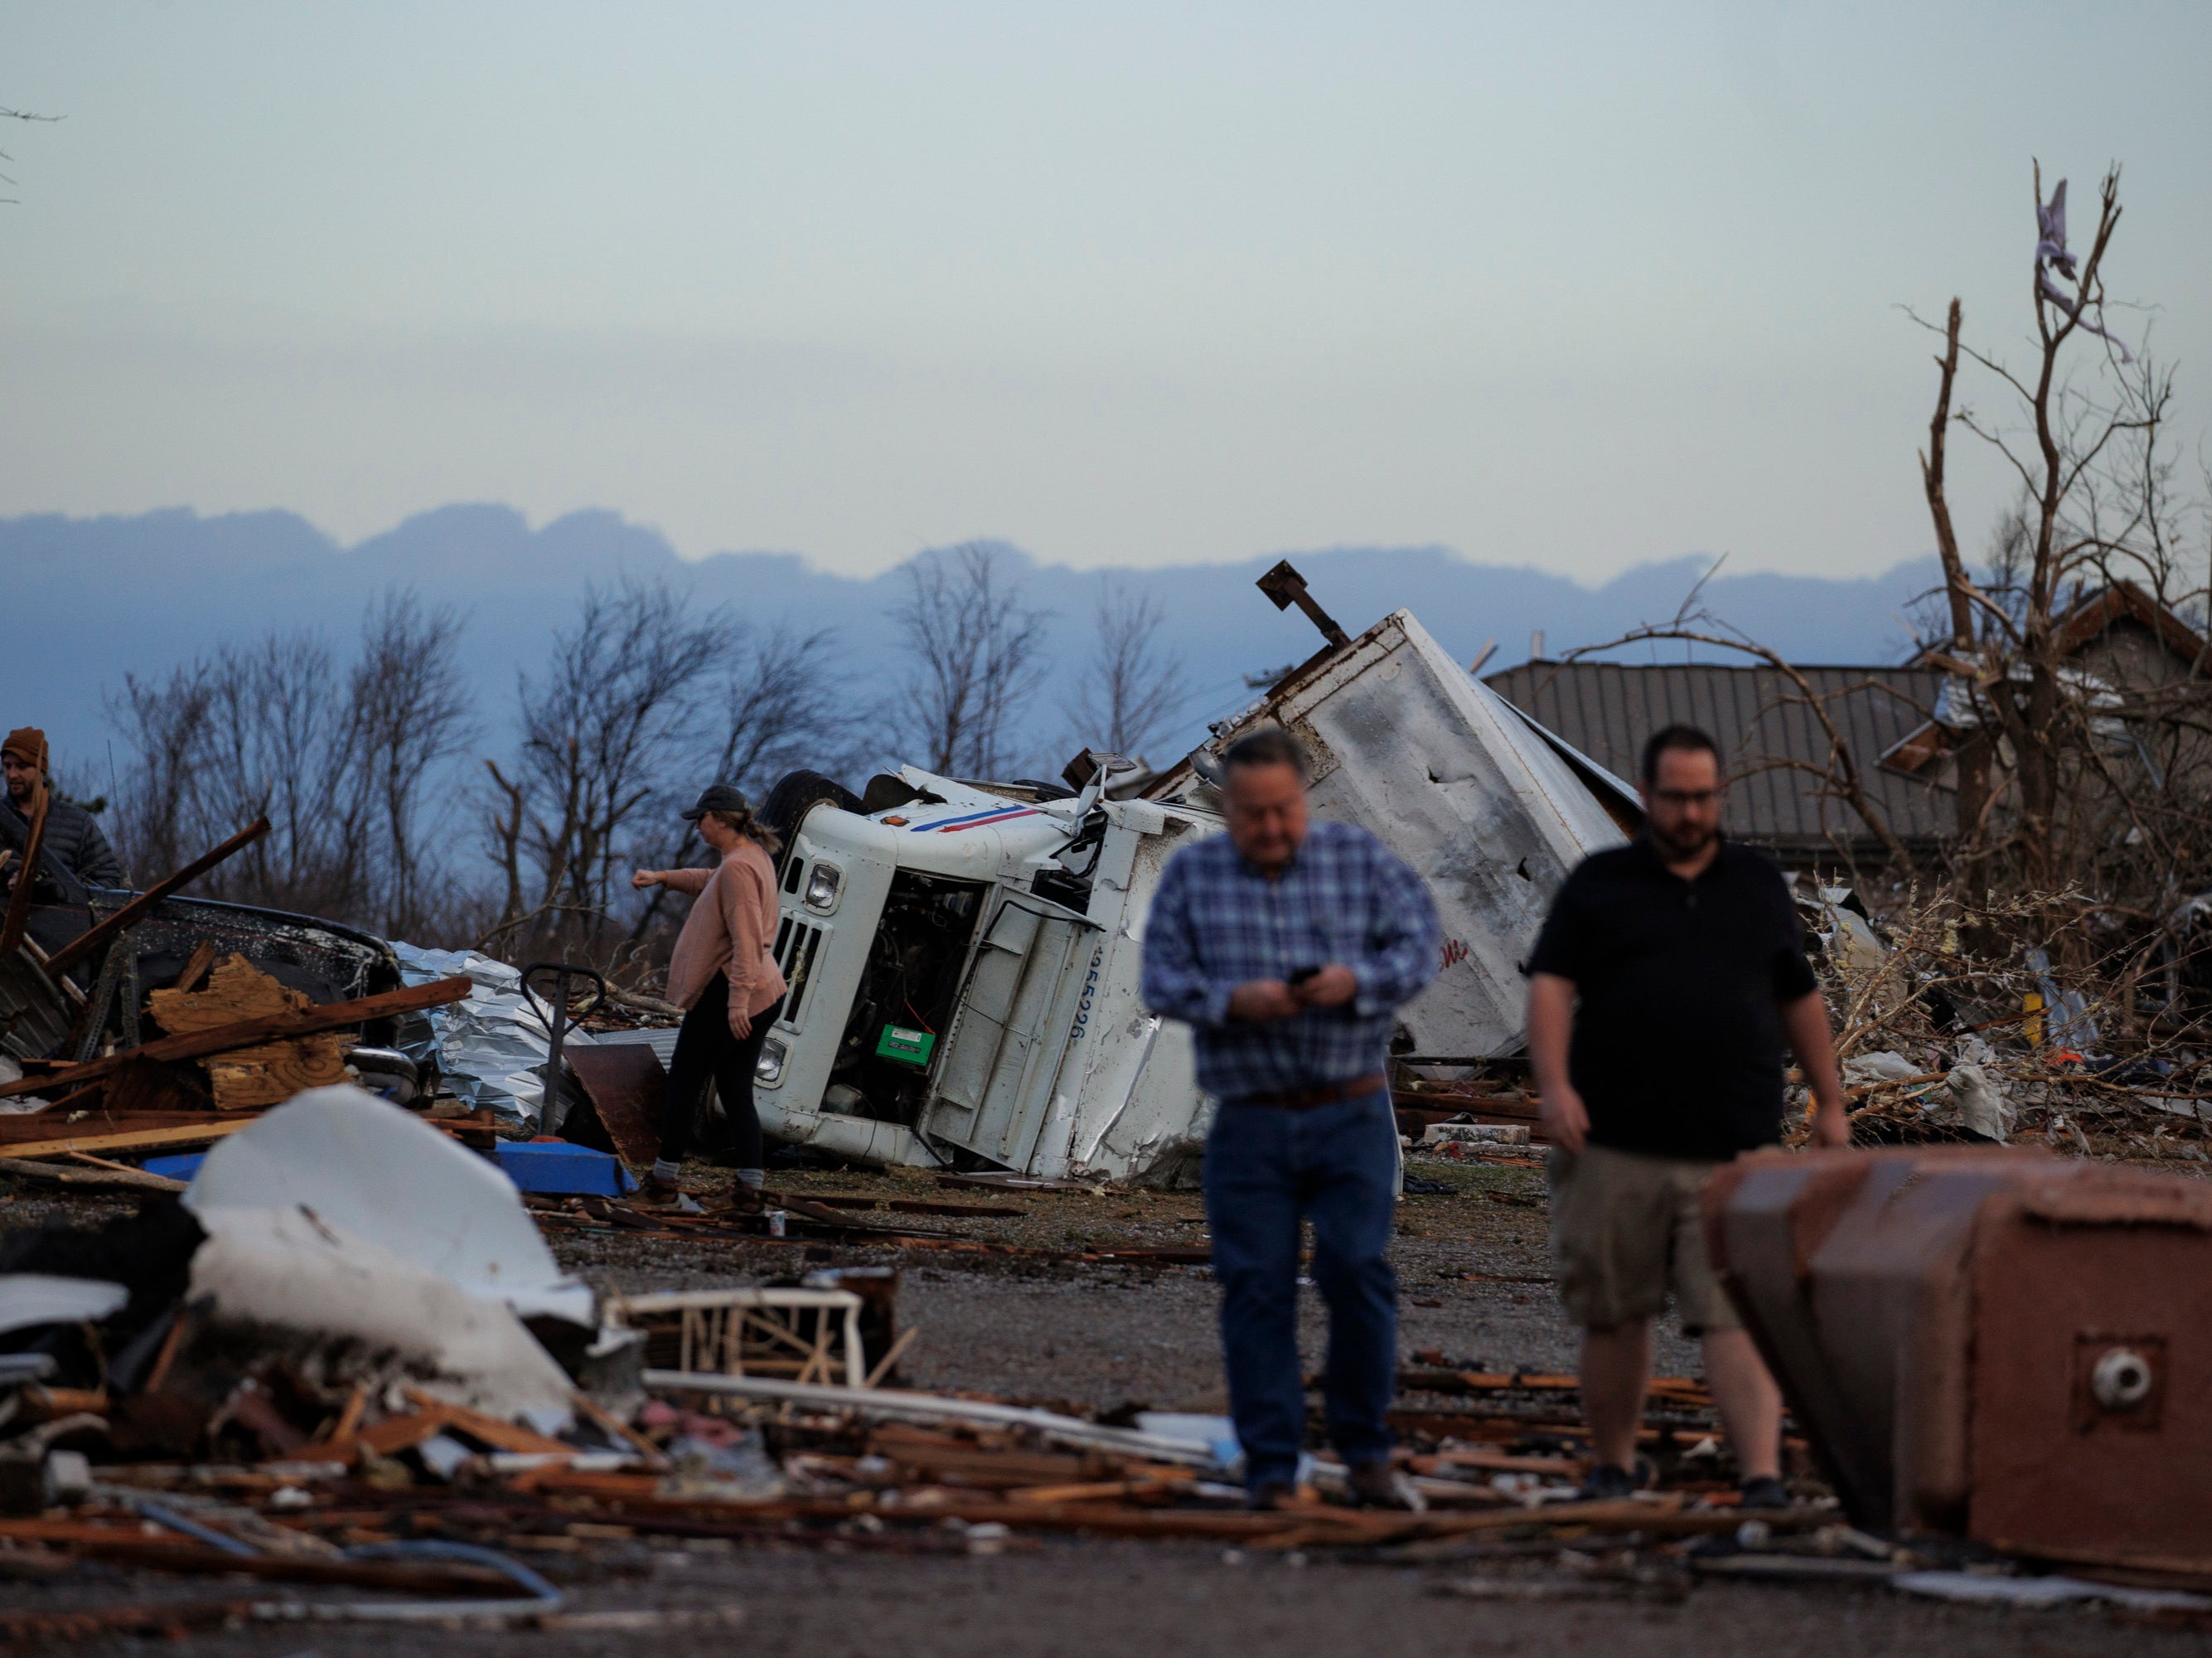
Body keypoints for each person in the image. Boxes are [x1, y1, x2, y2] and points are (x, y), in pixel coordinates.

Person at [1526, 725, 1848, 1510]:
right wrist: (1556, 1089)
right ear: (1646, 796)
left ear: (1719, 797)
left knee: (1735, 1319)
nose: (1691, 811)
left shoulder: (1756, 886)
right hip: (1613, 1148)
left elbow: (1796, 995)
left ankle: (1762, 1479)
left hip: (1734, 1152)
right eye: (1675, 796)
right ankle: (1610, 1467)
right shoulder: (1599, 884)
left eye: (1704, 796)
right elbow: (1548, 988)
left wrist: (1831, 1101)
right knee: (1614, 1315)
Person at [1141, 727, 1441, 1510]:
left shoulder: (1359, 861)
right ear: (1226, 808)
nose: (1269, 829)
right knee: (1255, 1287)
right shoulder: (1193, 875)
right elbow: (1161, 980)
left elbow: (1419, 948)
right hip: (1250, 1122)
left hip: (1349, 1111)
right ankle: (1272, 1466)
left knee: (1356, 1271)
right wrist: (1229, 1002)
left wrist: (1357, 982)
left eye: (1282, 812)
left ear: (1301, 798)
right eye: (1251, 815)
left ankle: (1365, 1453)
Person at [631, 783, 788, 1205]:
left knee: (683, 1082)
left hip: (734, 990)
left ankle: (663, 1185)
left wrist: (737, 1003)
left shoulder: (738, 868)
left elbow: (747, 939)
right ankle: (749, 1189)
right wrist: (663, 877)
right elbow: (709, 882)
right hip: (763, 989)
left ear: (719, 820)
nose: (697, 828)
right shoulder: (748, 857)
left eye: (700, 820)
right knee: (735, 1089)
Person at [1, 727, 125, 890]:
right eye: (7, 766)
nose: (12, 774)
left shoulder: (78, 823)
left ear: (41, 768)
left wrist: (56, 891)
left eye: (21, 767)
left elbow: (108, 880)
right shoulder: (3, 817)